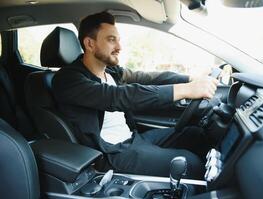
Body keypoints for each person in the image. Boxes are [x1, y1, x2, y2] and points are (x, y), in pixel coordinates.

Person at [52, 11, 218, 179]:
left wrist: (191, 79)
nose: (119, 47)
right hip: (111, 152)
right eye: (111, 40)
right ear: (90, 44)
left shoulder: (110, 71)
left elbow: (146, 78)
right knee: (190, 164)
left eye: (118, 40)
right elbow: (117, 97)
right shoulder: (68, 79)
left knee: (195, 135)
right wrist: (187, 90)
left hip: (133, 138)